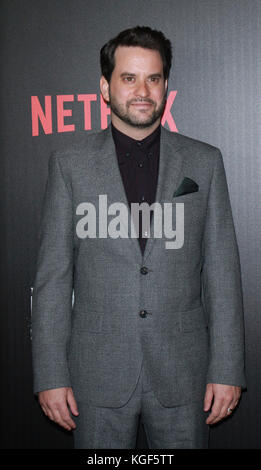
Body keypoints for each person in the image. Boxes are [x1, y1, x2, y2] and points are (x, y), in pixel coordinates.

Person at [32, 26, 246, 449]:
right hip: (94, 378)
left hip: (185, 378)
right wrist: (50, 374)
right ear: (105, 88)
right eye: (129, 78)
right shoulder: (69, 166)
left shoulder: (205, 163)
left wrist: (227, 368)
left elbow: (222, 274)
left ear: (166, 85)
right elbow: (53, 279)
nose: (142, 90)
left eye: (154, 78)